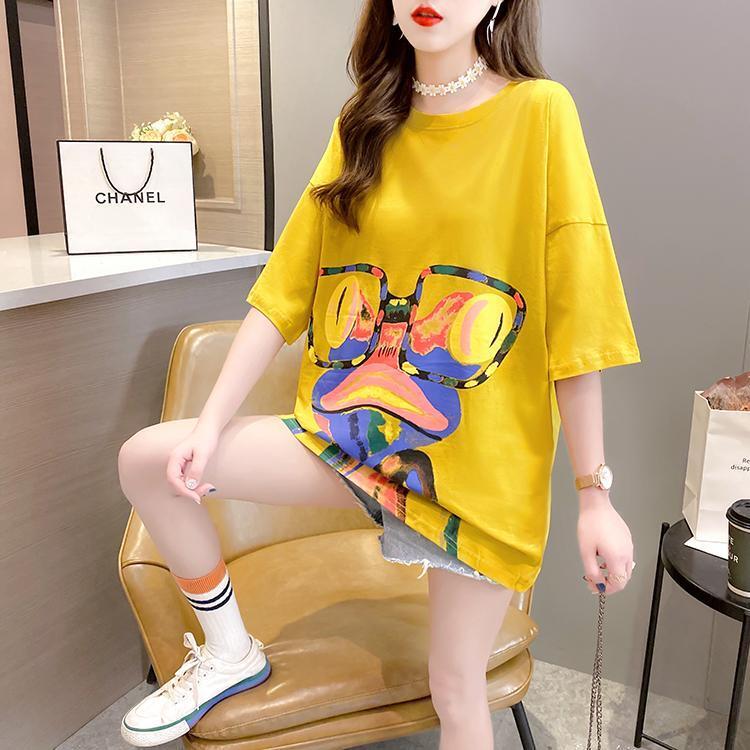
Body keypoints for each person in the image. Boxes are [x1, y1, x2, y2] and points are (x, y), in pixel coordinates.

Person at [118, 1, 641, 747]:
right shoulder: (362, 124)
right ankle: (230, 651)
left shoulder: (540, 114)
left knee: (456, 688)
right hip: (350, 438)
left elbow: (577, 321)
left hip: (478, 472)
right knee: (147, 460)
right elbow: (286, 288)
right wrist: (209, 423)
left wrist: (595, 494)